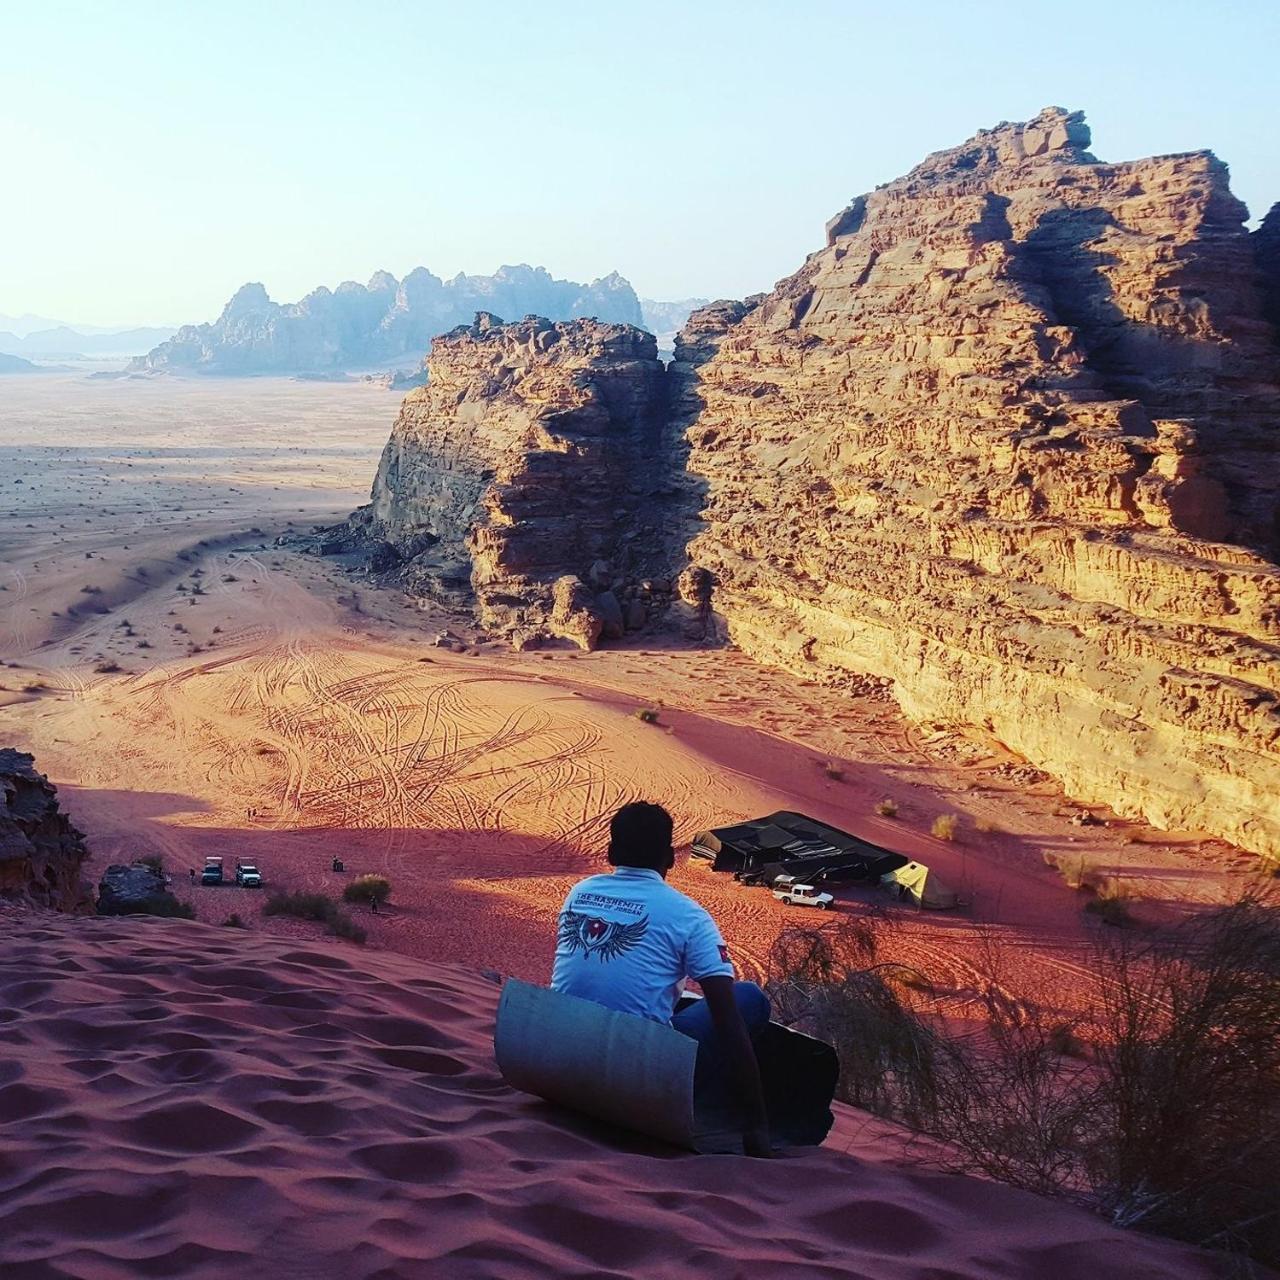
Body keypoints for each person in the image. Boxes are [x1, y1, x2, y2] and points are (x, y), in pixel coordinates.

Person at [551, 801, 772, 1157]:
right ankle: (713, 1110)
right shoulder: (688, 915)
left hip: (558, 1059)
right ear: (670, 858)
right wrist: (757, 1124)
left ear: (610, 853)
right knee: (748, 999)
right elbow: (727, 1019)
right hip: (636, 1078)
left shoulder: (580, 893)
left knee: (676, 1000)